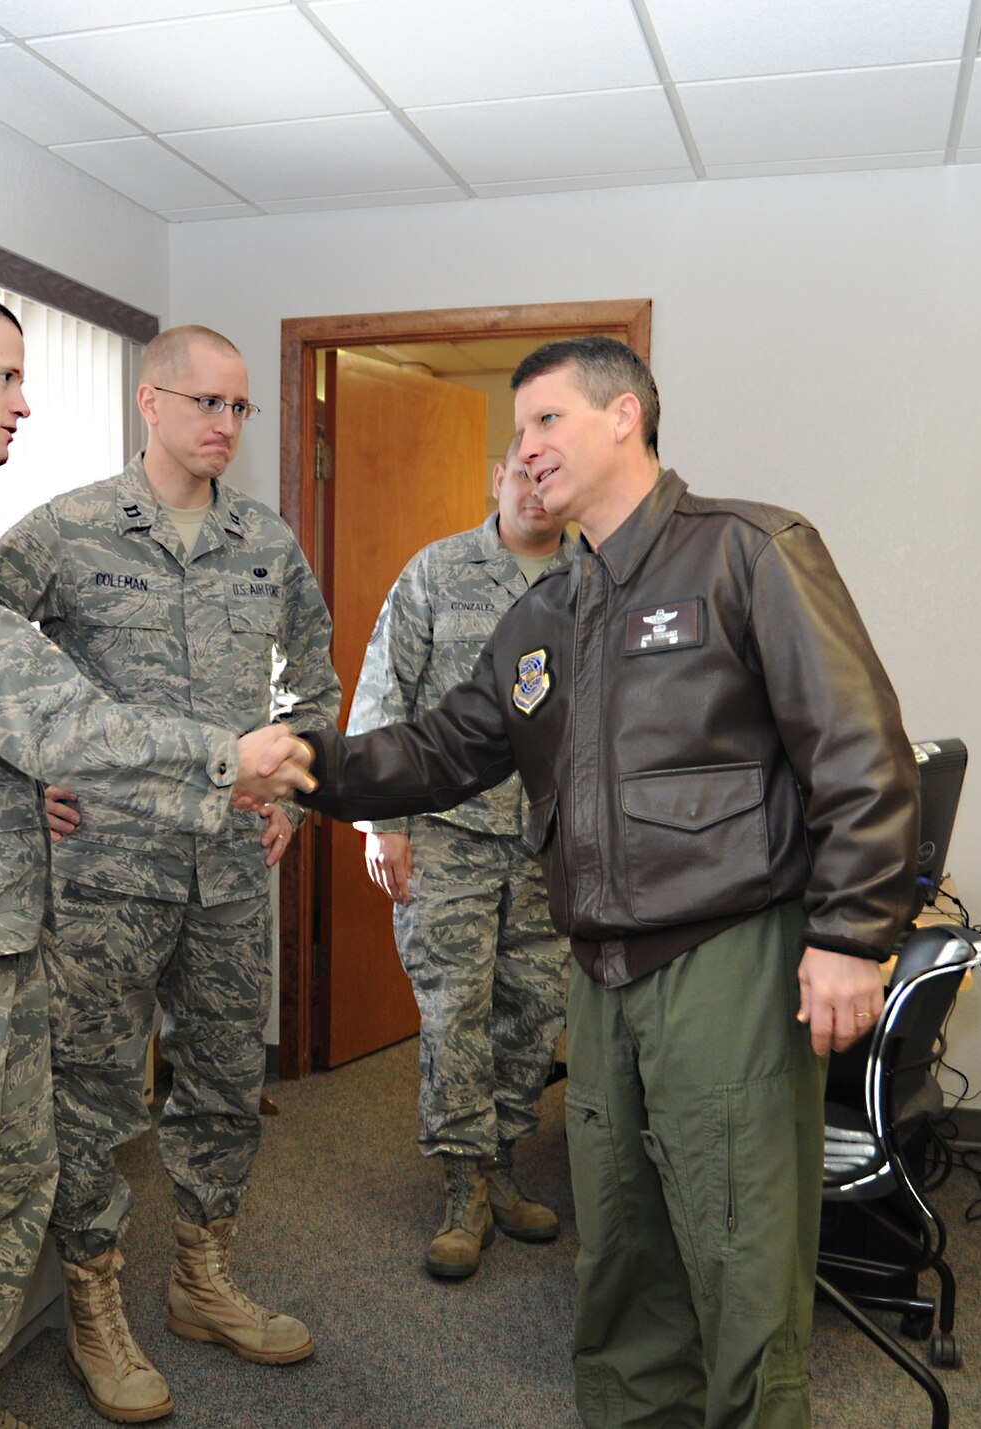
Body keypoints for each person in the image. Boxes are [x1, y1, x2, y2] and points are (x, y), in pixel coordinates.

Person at [293, 336, 918, 1428]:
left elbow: (858, 752)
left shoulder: (745, 551)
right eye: (517, 429)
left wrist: (852, 935)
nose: (523, 448)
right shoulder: (543, 617)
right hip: (598, 963)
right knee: (621, 1246)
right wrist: (303, 766)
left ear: (623, 415)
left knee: (736, 1241)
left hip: (722, 954)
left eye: (546, 421)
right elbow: (439, 750)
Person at [0, 289, 314, 1429]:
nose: (26, 402)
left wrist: (55, 783)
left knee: (6, 1186)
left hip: (4, 922)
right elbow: (30, 699)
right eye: (7, 377)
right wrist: (213, 759)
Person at [0, 324, 338, 1423]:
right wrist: (17, 778)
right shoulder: (68, 530)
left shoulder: (266, 542)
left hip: (230, 868)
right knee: (90, 1098)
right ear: (150, 401)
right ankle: (94, 1305)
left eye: (239, 409)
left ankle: (200, 1277)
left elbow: (315, 684)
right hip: (103, 871)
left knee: (225, 1083)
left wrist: (290, 791)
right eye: (205, 403)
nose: (223, 426)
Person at [347, 435, 573, 1281]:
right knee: (453, 1012)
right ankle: (461, 1187)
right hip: (446, 832)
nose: (537, 492)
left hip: (550, 840)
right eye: (523, 474)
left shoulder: (595, 581)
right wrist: (383, 820)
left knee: (531, 1011)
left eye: (551, 478)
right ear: (496, 478)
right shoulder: (436, 572)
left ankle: (503, 1159)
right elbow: (383, 694)